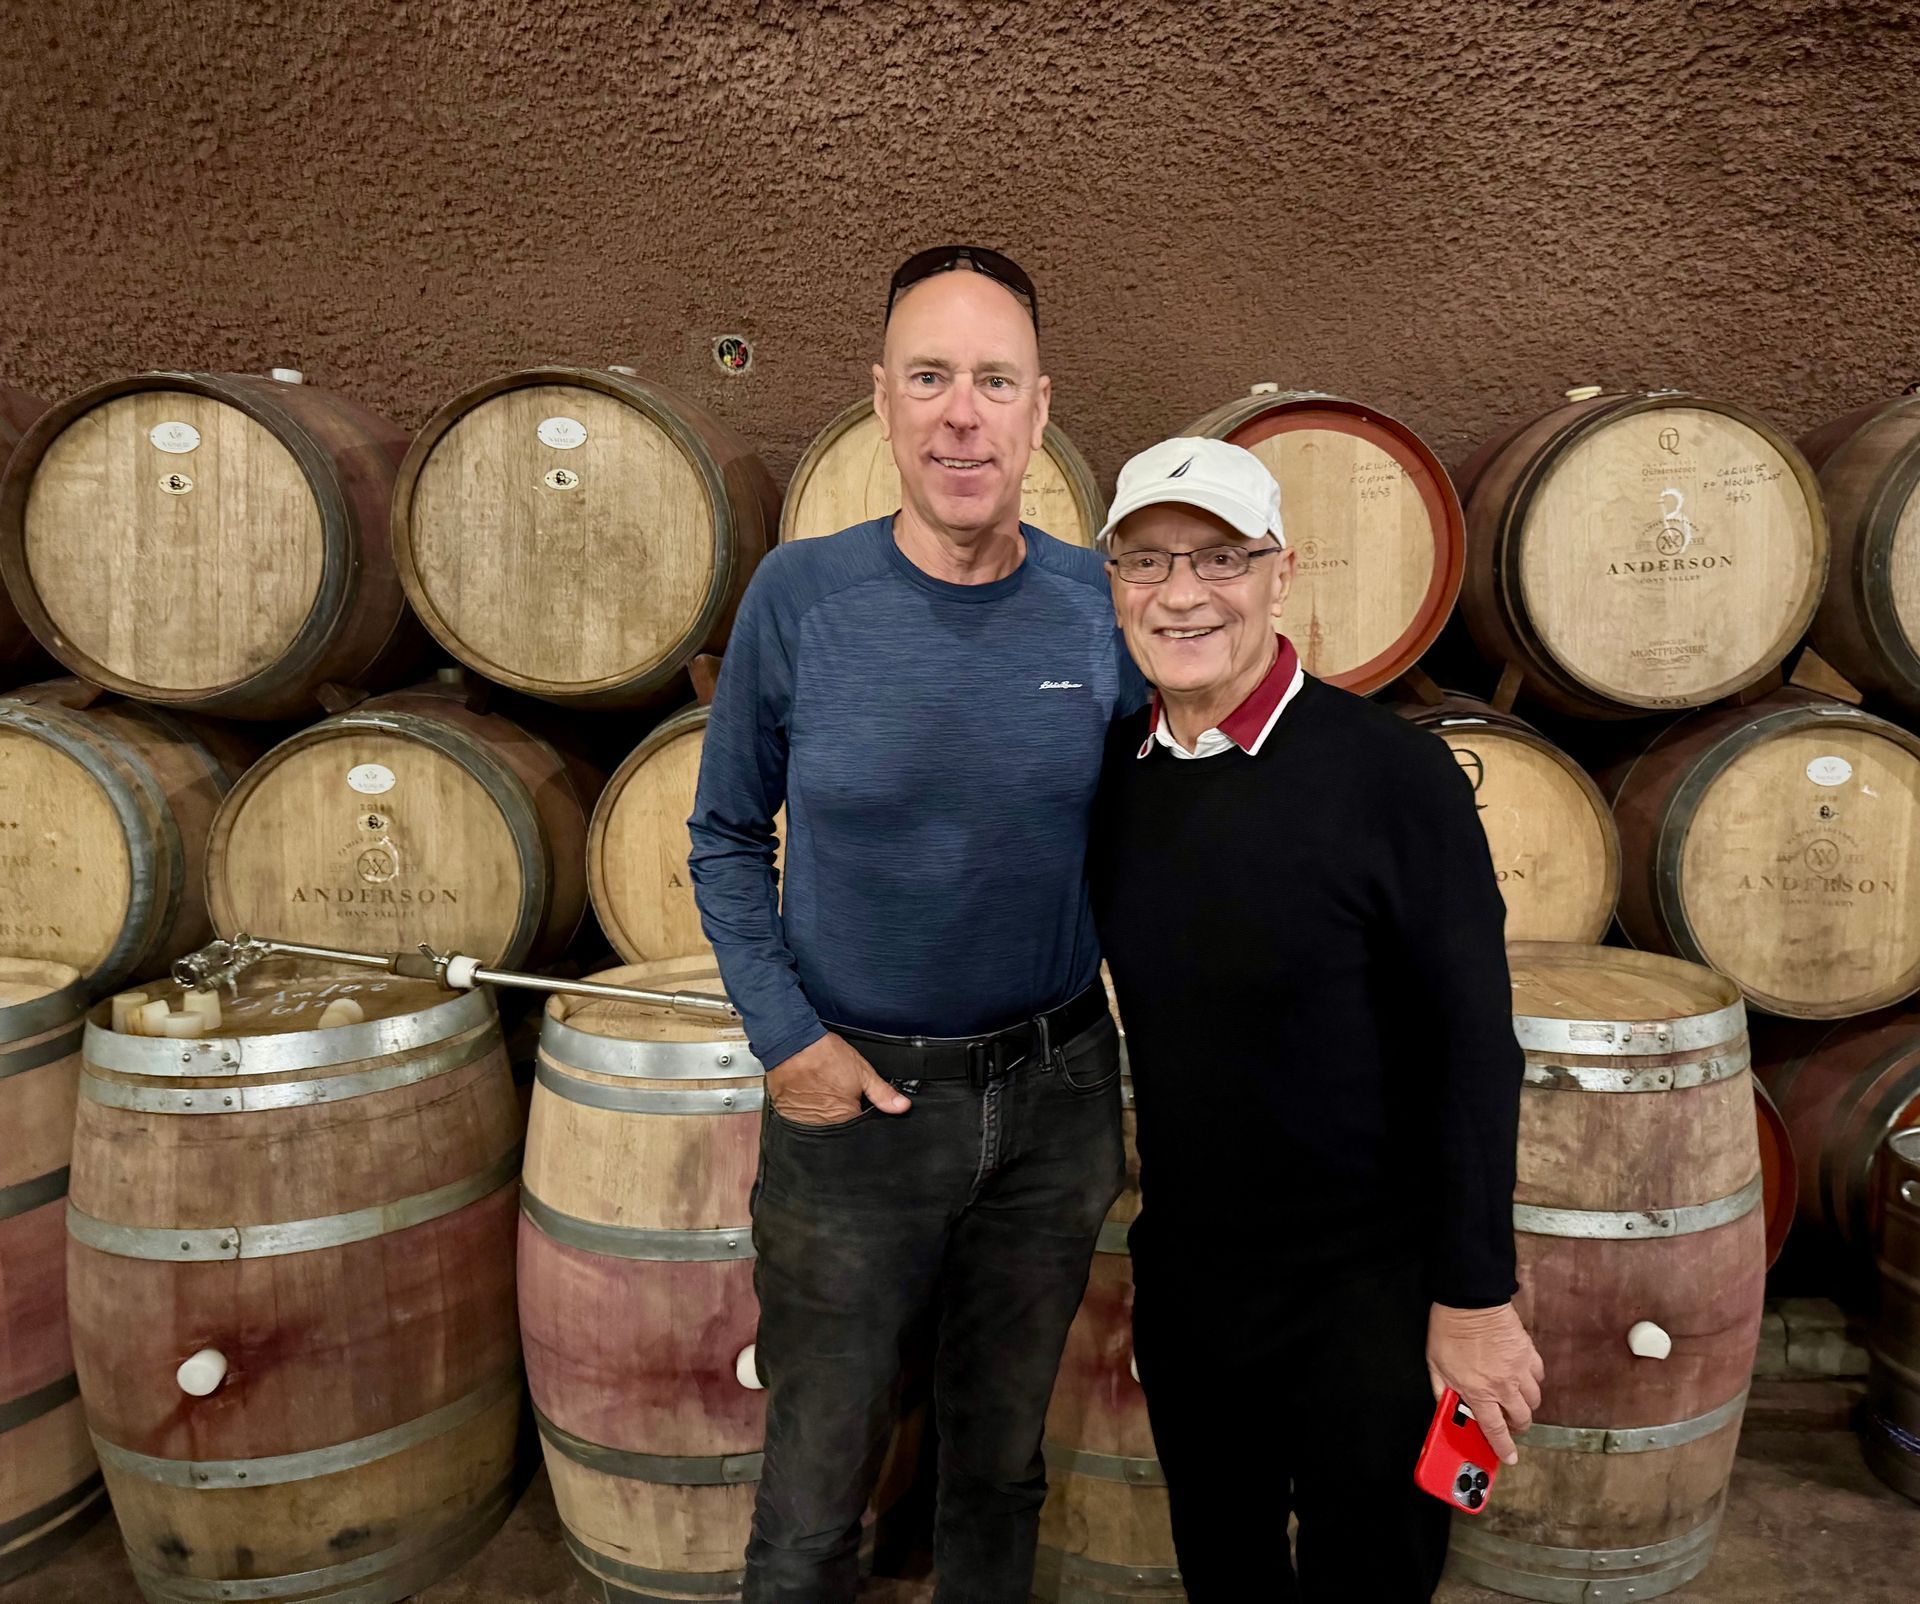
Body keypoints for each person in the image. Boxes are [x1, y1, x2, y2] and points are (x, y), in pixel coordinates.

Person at [688, 245, 1146, 1604]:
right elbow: (721, 836)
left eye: (993, 382)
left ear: (1040, 410)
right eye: (932, 378)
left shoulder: (1097, 605)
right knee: (816, 1493)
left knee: (998, 1468)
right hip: (855, 1112)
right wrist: (787, 1040)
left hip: (1056, 1099)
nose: (963, 413)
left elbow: (1171, 834)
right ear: (881, 403)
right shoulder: (801, 600)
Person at [1087, 437, 1544, 1602]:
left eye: (1219, 558)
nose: (1182, 592)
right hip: (1194, 1283)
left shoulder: (1394, 779)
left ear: (1280, 573)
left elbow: (1472, 1050)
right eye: (1148, 561)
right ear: (1114, 583)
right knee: (1225, 1576)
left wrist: (1477, 1296)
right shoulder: (1114, 779)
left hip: (1371, 1301)